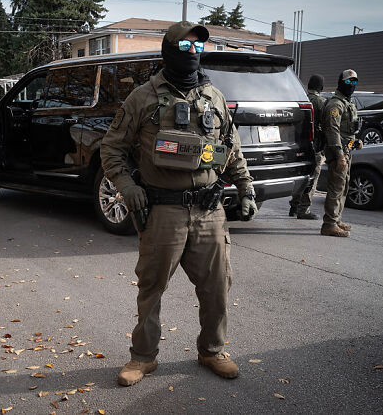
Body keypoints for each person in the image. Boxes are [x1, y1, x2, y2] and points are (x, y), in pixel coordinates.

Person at [100, 21, 256, 386]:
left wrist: (247, 188)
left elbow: (232, 148)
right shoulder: (142, 97)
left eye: (198, 47)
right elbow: (111, 147)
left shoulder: (213, 97)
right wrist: (126, 187)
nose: (192, 53)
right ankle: (143, 357)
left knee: (217, 285)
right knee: (152, 288)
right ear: (168, 50)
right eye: (185, 47)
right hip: (163, 211)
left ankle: (212, 350)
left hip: (209, 211)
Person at [321, 70, 362, 237]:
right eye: (348, 82)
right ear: (341, 83)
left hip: (346, 150)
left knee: (343, 185)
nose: (352, 85)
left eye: (354, 82)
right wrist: (339, 156)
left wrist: (355, 142)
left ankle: (336, 219)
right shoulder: (335, 105)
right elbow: (332, 132)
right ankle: (329, 224)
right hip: (338, 152)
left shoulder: (347, 103)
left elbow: (348, 133)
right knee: (336, 187)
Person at [289, 74, 326, 219]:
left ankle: (294, 206)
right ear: (321, 87)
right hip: (315, 146)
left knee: (300, 176)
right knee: (312, 177)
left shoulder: (300, 97)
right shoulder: (320, 102)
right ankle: (303, 209)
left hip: (298, 144)